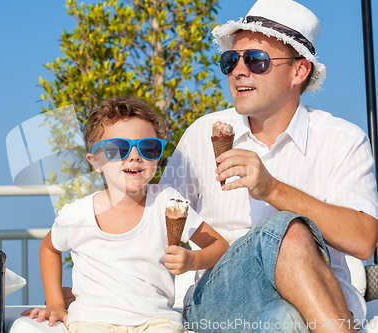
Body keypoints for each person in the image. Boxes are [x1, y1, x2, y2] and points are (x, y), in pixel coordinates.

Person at [159, 0, 378, 332]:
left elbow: (363, 240)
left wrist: (273, 189)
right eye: (230, 60)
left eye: (256, 60)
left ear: (299, 70)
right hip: (220, 300)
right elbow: (156, 220)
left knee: (283, 318)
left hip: (316, 304)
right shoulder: (201, 134)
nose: (239, 71)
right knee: (286, 233)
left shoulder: (343, 139)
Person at [22, 96, 229, 333]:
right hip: (93, 321)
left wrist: (193, 260)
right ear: (96, 161)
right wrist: (55, 303)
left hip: (156, 321)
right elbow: (49, 248)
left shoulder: (167, 201)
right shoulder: (77, 213)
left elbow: (218, 245)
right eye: (117, 148)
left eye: (148, 147)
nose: (134, 156)